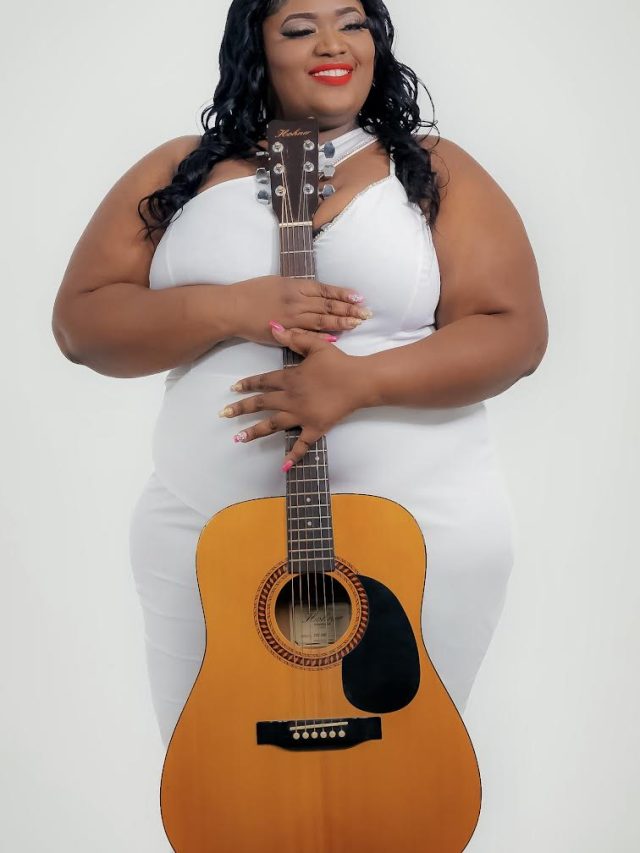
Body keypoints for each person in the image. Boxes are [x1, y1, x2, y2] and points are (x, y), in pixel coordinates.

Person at [52, 0, 548, 748]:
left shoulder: (433, 168)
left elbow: (514, 331)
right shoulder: (182, 169)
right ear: (254, 47)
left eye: (352, 23)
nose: (332, 44)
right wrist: (231, 307)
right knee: (218, 785)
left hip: (417, 537)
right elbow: (82, 326)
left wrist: (359, 382)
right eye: (298, 28)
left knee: (401, 779)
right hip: (203, 538)